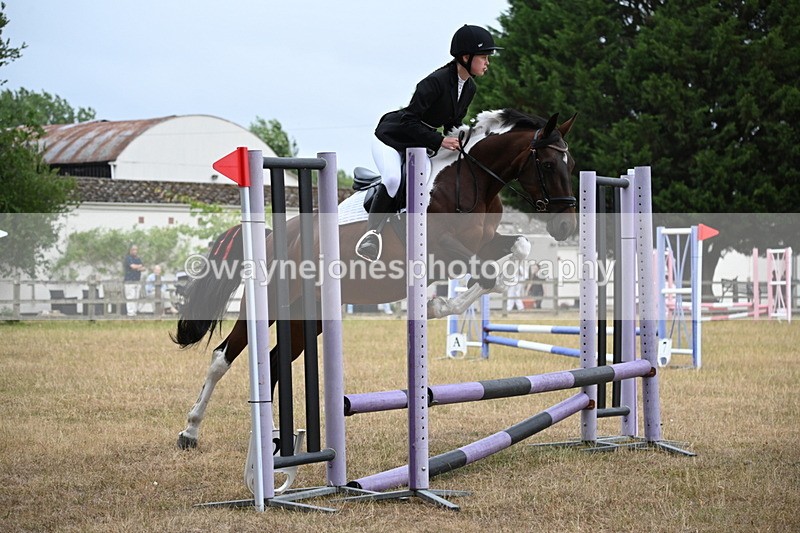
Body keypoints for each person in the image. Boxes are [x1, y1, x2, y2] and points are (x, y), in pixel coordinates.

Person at [355, 24, 502, 262]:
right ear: (466, 57)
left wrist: (467, 142)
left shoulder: (469, 88)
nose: (487, 62)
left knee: (429, 181)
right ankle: (371, 235)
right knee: (392, 179)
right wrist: (440, 140)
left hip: (420, 145)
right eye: (484, 57)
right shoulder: (434, 82)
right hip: (391, 138)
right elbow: (409, 120)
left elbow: (453, 123)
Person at [123, 244, 146, 316]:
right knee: (131, 297)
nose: (135, 251)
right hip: (129, 281)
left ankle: (135, 312)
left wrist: (138, 267)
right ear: (130, 250)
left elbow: (143, 268)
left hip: (137, 280)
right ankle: (130, 313)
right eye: (133, 250)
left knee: (136, 297)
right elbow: (132, 266)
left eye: (136, 250)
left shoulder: (138, 259)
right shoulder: (128, 258)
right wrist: (138, 266)